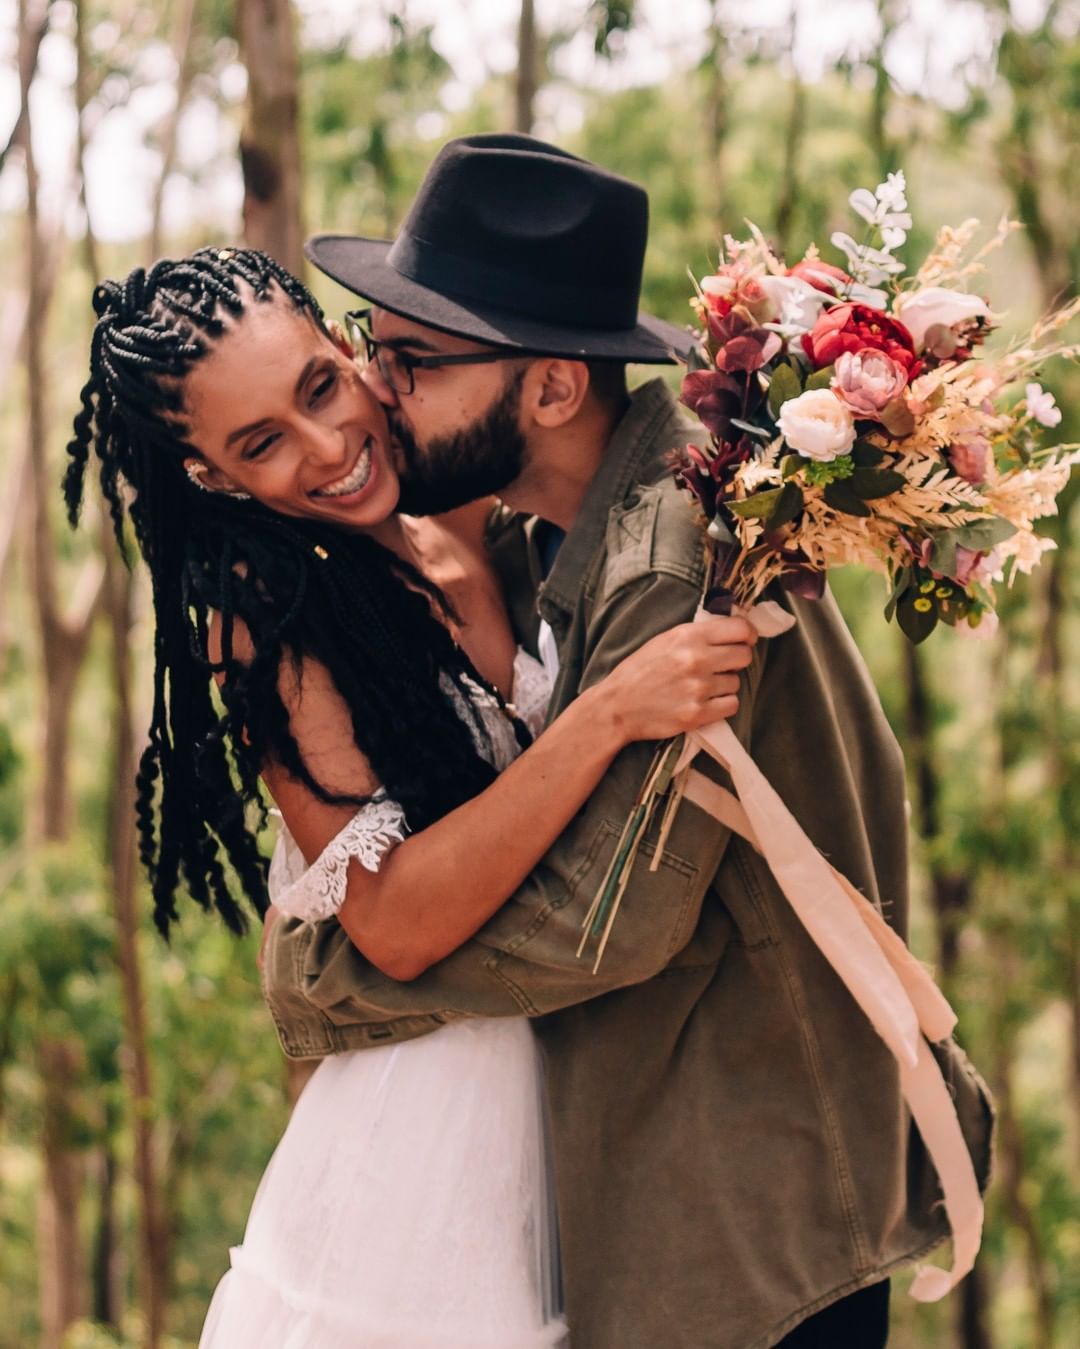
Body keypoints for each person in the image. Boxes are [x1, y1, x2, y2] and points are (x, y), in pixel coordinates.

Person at [262, 132, 995, 1348]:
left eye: (410, 360)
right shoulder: (567, 532)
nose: (374, 387)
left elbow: (601, 920)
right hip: (729, 1192)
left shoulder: (675, 557)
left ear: (551, 389)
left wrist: (335, 973)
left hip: (753, 1223)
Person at [65, 244, 757, 1346]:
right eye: (261, 444)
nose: (328, 447)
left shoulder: (471, 512)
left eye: (320, 388)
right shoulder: (271, 619)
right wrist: (605, 715)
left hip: (566, 1124)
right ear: (210, 476)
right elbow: (393, 922)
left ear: (351, 348)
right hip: (418, 1161)